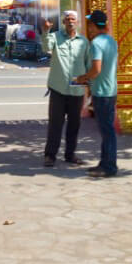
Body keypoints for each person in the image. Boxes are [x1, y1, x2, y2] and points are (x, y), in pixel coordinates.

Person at [40, 10, 90, 166]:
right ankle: (50, 155)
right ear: (63, 22)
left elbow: (87, 64)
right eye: (67, 19)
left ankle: (70, 155)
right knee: (55, 123)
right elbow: (45, 47)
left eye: (73, 19)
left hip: (76, 87)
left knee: (74, 124)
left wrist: (89, 87)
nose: (70, 22)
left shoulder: (83, 41)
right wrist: (46, 30)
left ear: (77, 22)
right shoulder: (55, 37)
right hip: (58, 88)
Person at [80, 9, 118, 177]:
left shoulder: (96, 43)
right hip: (110, 90)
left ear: (94, 26)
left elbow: (96, 69)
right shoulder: (111, 41)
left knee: (107, 131)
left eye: (90, 24)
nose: (89, 28)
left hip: (102, 92)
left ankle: (109, 167)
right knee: (106, 129)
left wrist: (83, 77)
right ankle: (105, 163)